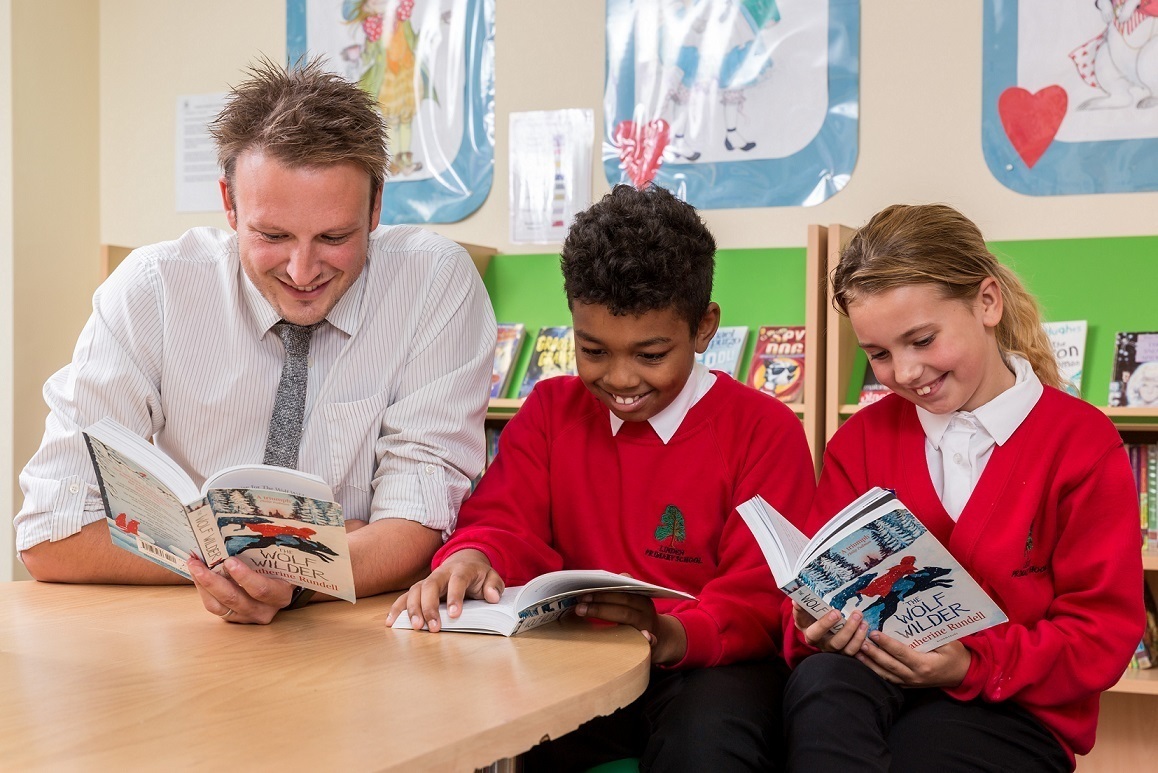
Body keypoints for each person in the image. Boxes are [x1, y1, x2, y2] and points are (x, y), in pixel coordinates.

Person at [15, 59, 496, 624]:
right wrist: (291, 562)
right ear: (229, 203)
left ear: (375, 207)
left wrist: (293, 584)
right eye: (272, 235)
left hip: (359, 647)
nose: (302, 269)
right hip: (190, 645)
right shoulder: (154, 290)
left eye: (335, 237)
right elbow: (52, 534)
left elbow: (413, 530)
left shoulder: (433, 282)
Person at [389, 184, 816, 772]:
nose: (619, 379)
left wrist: (670, 633)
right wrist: (472, 556)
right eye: (592, 350)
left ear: (704, 327)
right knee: (480, 733)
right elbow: (503, 519)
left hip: (708, 664)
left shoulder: (764, 429)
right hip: (574, 658)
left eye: (650, 354)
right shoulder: (549, 409)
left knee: (708, 749)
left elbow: (761, 592)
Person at [783, 204, 1144, 772]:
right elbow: (807, 599)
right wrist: (813, 624)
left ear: (987, 303)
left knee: (926, 752)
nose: (904, 373)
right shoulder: (860, 442)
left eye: (922, 340)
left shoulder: (1079, 441)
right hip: (872, 681)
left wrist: (966, 664)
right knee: (821, 685)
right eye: (878, 354)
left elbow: (1101, 634)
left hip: (1014, 707)